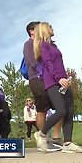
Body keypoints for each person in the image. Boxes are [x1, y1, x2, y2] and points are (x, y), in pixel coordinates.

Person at [33, 22, 82, 153]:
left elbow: (59, 64)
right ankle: (42, 133)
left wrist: (65, 78)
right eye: (50, 26)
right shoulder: (43, 45)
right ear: (44, 29)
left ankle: (68, 143)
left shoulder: (53, 45)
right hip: (53, 82)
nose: (52, 28)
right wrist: (58, 78)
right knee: (61, 110)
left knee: (69, 110)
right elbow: (49, 64)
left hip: (63, 81)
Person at [23, 21, 63, 150]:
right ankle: (43, 140)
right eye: (37, 28)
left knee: (60, 106)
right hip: (37, 79)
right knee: (42, 108)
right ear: (32, 31)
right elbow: (33, 63)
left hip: (49, 78)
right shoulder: (29, 44)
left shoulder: (46, 43)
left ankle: (56, 138)